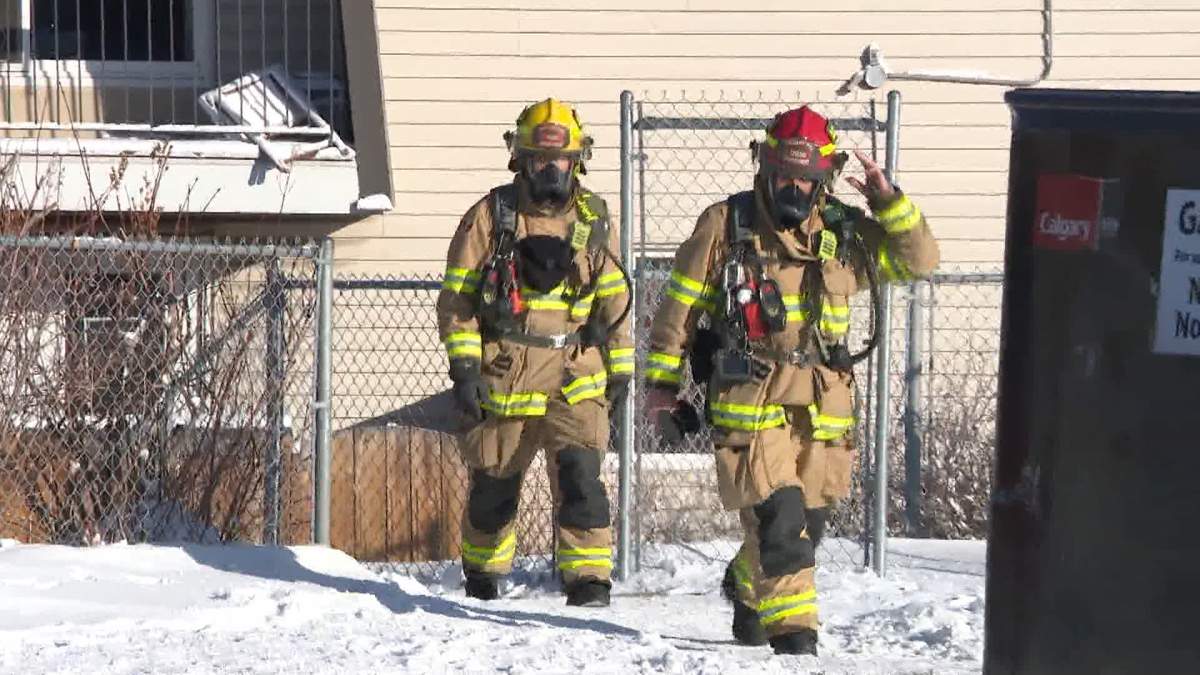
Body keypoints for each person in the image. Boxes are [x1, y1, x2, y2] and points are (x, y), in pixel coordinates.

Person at [644, 105, 940, 654]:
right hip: (752, 398)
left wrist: (888, 202)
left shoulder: (844, 231)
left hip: (825, 403)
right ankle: (795, 639)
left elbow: (918, 261)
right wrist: (662, 387)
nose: (793, 187)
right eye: (783, 174)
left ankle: (746, 586)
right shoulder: (725, 225)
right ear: (765, 166)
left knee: (808, 524)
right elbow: (677, 311)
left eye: (805, 178)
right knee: (779, 521)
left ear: (824, 177)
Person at [435, 98, 633, 608]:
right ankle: (483, 575)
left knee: (582, 480)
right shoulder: (491, 216)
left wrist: (621, 367)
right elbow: (458, 301)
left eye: (560, 159)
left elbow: (615, 298)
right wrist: (465, 369)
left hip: (575, 373)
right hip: (507, 373)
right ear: (520, 159)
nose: (551, 169)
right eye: (540, 159)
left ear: (577, 160)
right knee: (495, 487)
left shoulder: (593, 217)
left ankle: (589, 582)